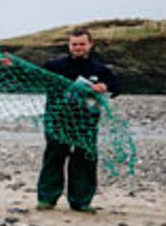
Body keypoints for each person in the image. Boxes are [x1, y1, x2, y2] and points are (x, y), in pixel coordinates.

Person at [36, 28, 120, 213]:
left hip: (86, 122)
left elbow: (117, 85)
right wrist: (11, 66)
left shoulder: (100, 69)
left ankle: (81, 202)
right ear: (69, 45)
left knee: (85, 160)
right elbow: (33, 76)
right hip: (58, 120)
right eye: (74, 44)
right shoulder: (54, 66)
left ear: (90, 45)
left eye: (82, 44)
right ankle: (46, 199)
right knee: (54, 158)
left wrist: (104, 86)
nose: (78, 48)